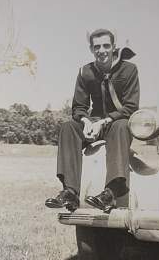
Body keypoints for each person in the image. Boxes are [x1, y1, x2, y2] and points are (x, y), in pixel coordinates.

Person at [45, 29, 140, 213]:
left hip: (118, 122)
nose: (101, 50)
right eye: (97, 47)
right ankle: (70, 191)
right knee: (68, 127)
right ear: (91, 49)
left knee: (120, 126)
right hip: (94, 123)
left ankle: (111, 193)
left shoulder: (129, 70)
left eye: (106, 45)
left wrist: (104, 122)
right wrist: (87, 122)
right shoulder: (85, 72)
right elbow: (78, 107)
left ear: (113, 47)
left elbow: (131, 107)